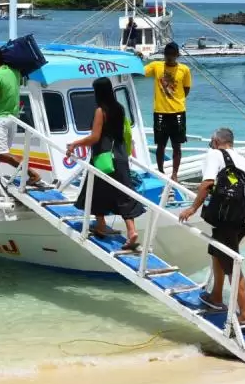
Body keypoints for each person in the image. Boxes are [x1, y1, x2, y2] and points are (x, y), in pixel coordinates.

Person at [178, 127, 245, 329]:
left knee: (232, 265)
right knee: (218, 252)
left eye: (211, 141)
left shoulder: (214, 154)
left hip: (225, 219)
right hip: (241, 219)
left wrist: (192, 208)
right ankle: (216, 296)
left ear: (215, 141)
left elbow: (208, 183)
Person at [65, 77, 144, 248]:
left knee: (96, 191)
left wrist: (74, 144)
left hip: (103, 157)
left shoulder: (101, 111)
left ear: (98, 92)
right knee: (124, 193)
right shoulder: (120, 109)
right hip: (120, 156)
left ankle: (100, 225)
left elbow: (95, 137)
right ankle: (131, 231)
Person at [0, 45, 40, 195]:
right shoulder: (14, 71)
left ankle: (32, 173)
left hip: (1, 120)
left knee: (2, 154)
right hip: (13, 119)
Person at [144, 42, 191, 182]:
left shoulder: (184, 69)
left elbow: (186, 89)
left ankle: (175, 174)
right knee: (160, 144)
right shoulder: (156, 66)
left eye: (172, 54)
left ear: (177, 55)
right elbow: (140, 71)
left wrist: (176, 100)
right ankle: (160, 170)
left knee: (177, 145)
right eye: (167, 54)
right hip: (160, 112)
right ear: (164, 54)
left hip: (178, 112)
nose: (169, 57)